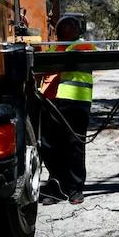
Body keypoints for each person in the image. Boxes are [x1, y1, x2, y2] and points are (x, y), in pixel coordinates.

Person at [39, 14, 96, 205]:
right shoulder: (56, 47)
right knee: (50, 146)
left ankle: (75, 188)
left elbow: (70, 59)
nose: (66, 28)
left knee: (74, 146)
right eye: (63, 26)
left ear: (78, 30)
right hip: (52, 102)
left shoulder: (83, 45)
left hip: (75, 101)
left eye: (71, 25)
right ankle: (57, 186)